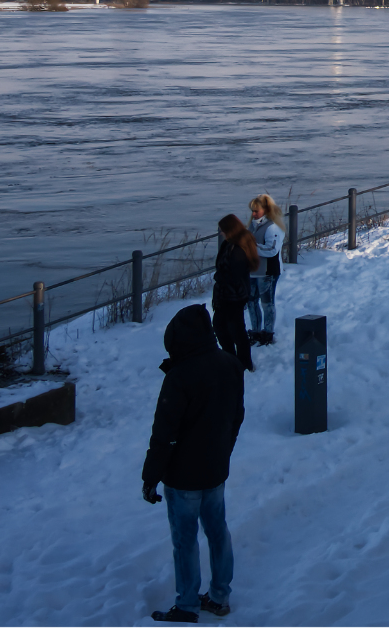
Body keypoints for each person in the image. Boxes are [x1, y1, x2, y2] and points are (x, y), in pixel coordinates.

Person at [143, 304, 246, 623]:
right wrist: (223, 452)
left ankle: (187, 604)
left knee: (185, 541)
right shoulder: (230, 364)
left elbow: (164, 434)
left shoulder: (179, 376)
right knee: (218, 531)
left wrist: (151, 477)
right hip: (215, 468)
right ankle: (219, 597)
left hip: (183, 476)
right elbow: (236, 416)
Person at [212, 215, 255, 372]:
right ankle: (230, 358)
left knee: (235, 330)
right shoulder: (228, 245)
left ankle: (243, 363)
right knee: (221, 327)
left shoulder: (238, 249)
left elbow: (235, 275)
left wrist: (219, 277)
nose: (221, 233)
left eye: (223, 230)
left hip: (234, 297)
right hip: (225, 295)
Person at [246, 196, 284, 346]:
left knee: (267, 303)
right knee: (251, 301)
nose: (253, 214)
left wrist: (250, 247)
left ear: (266, 211)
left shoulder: (272, 227)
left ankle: (268, 333)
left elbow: (272, 250)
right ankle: (255, 331)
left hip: (268, 271)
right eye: (252, 211)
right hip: (253, 270)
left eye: (256, 211)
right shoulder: (253, 226)